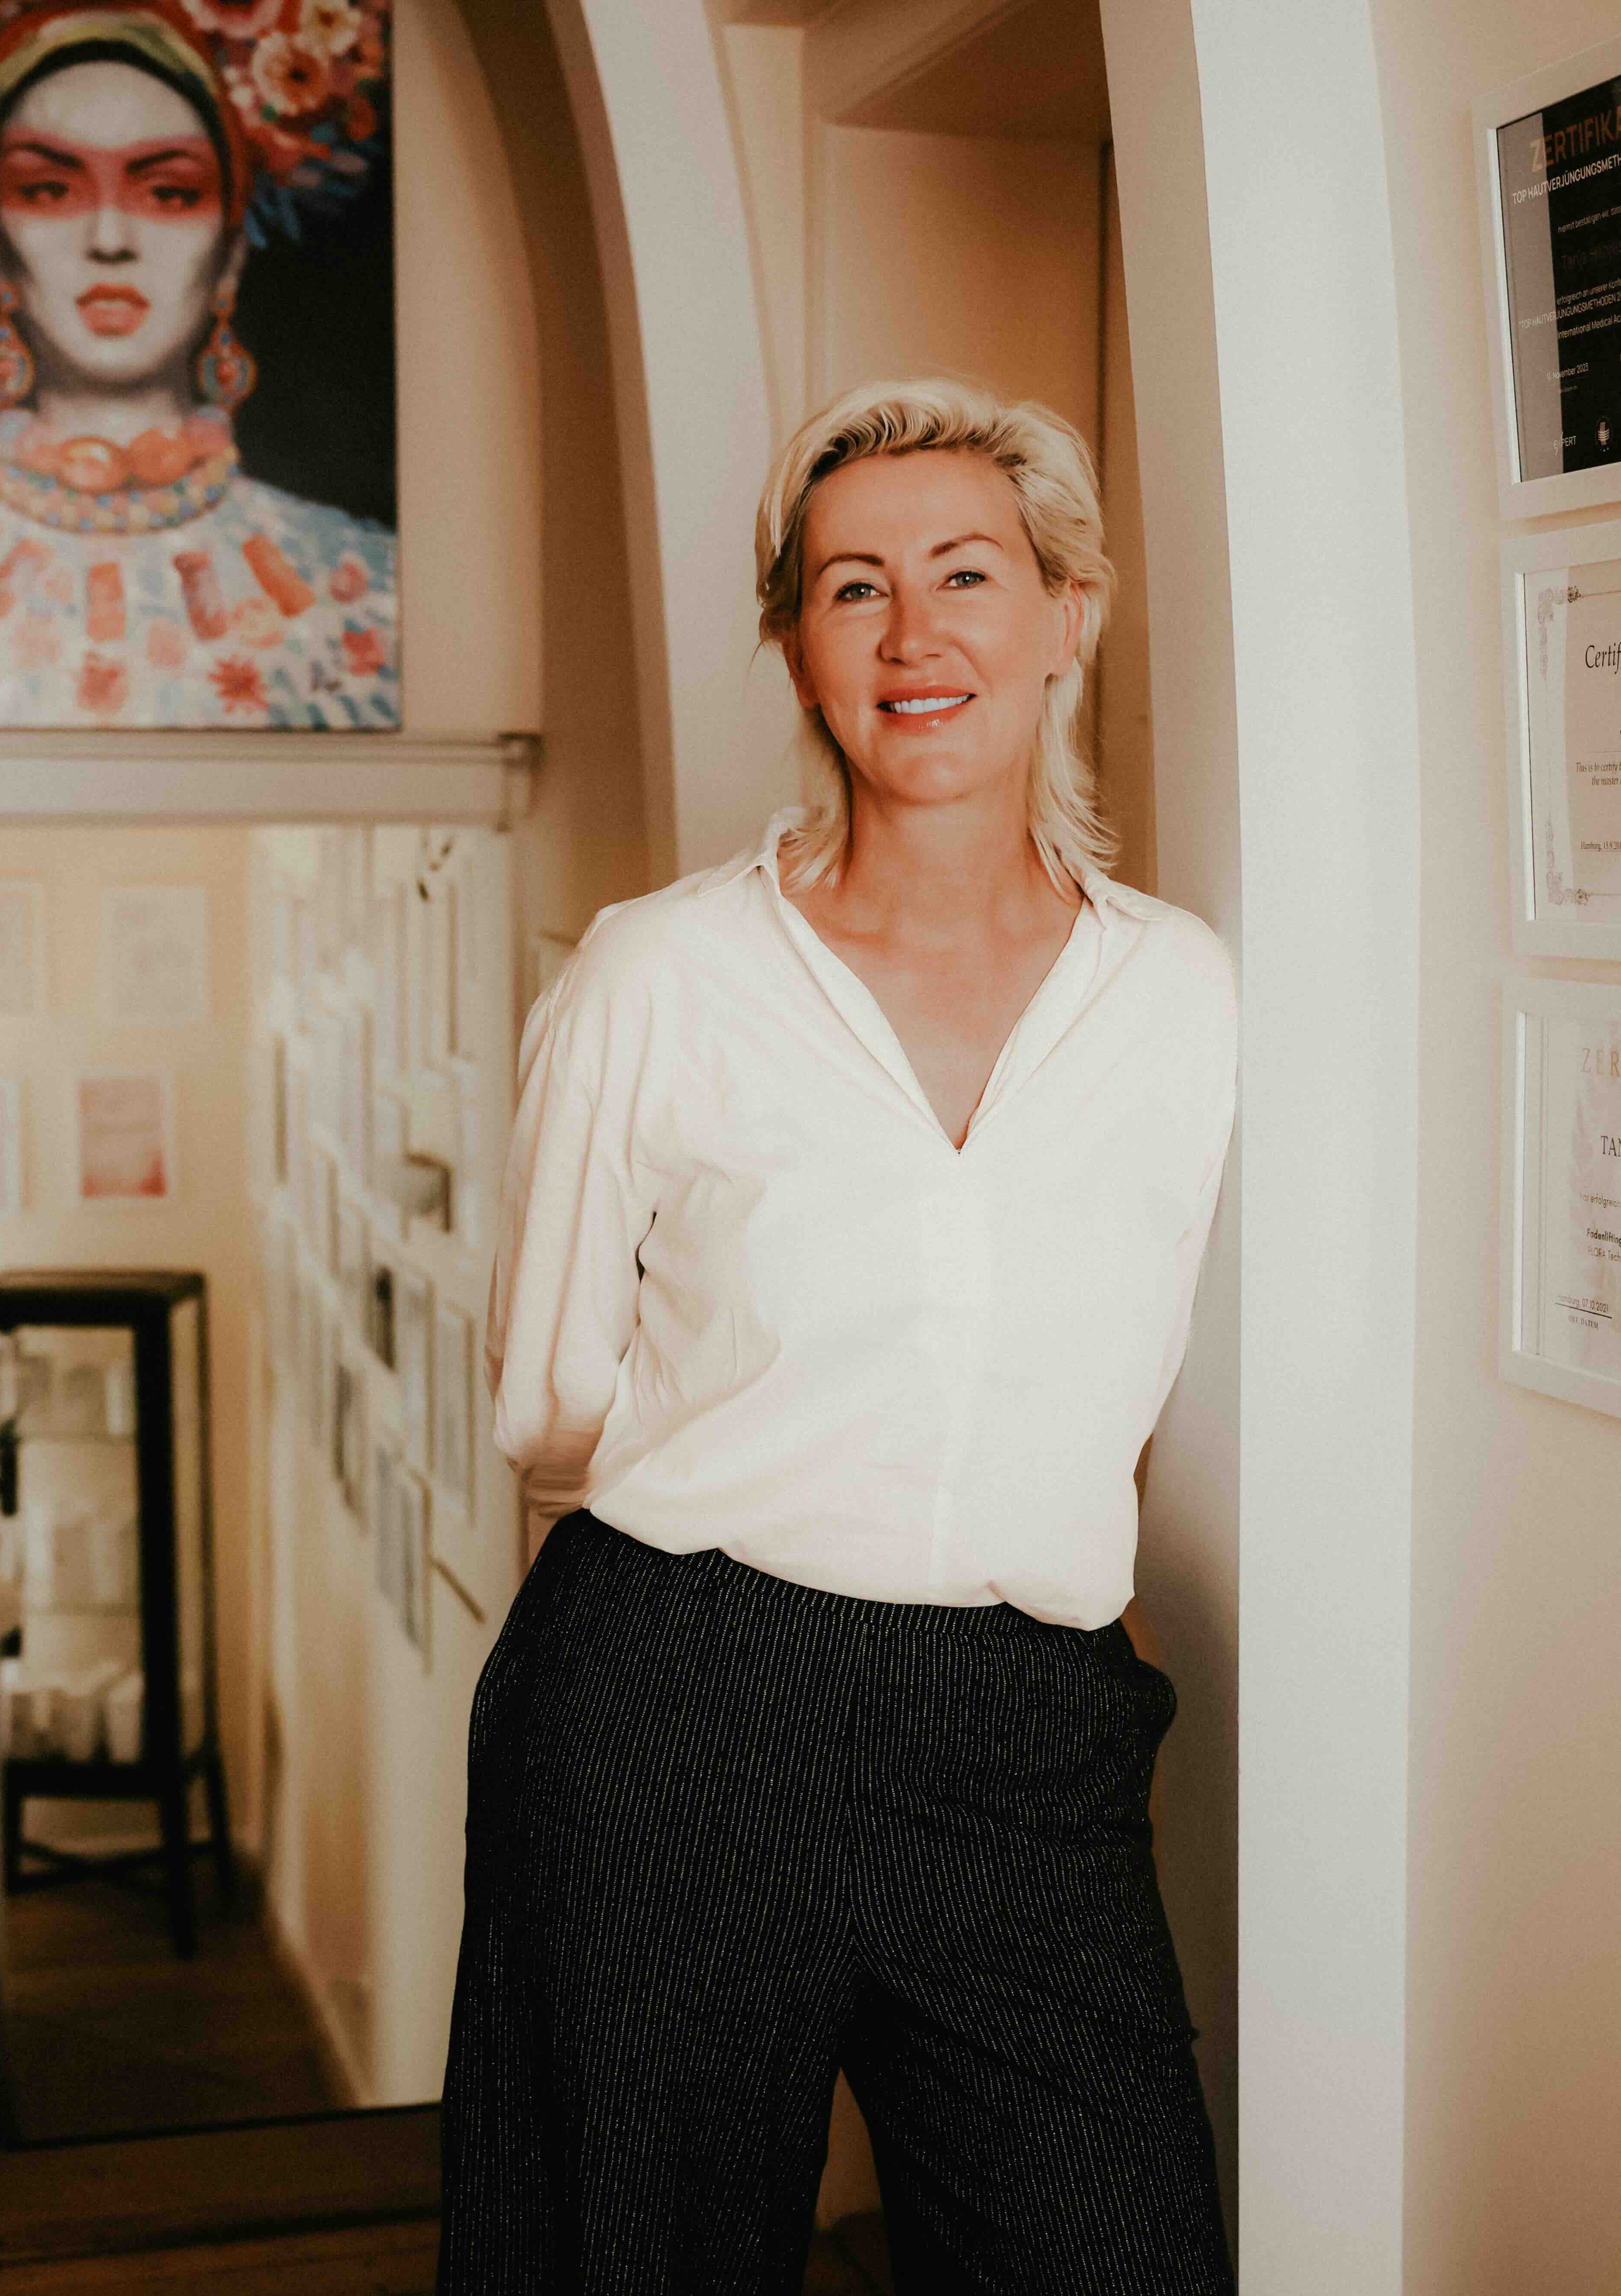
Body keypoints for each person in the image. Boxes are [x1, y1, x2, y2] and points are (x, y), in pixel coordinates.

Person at [440, 378, 1239, 2293]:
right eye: (851, 585)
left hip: (1027, 1725)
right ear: (796, 645)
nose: (913, 631)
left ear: (1067, 610)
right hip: (681, 1698)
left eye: (967, 571)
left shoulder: (1177, 995)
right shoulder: (666, 971)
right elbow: (549, 1388)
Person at [0, 1, 398, 728]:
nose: (110, 238)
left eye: (168, 192)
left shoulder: (371, 590)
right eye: (51, 190)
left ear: (230, 257)